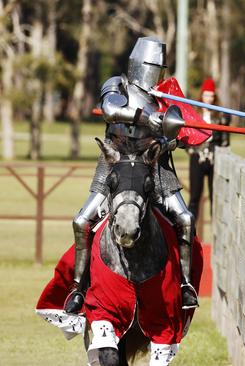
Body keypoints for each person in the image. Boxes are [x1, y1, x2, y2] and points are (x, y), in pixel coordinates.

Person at [66, 37, 200, 313]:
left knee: (185, 219)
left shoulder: (164, 98)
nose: (155, 73)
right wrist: (144, 118)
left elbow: (176, 137)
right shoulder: (117, 85)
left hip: (153, 165)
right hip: (115, 161)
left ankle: (185, 285)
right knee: (82, 221)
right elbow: (110, 110)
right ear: (138, 64)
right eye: (152, 66)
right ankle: (78, 287)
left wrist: (174, 138)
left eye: (160, 68)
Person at [188, 78, 230, 219]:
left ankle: (217, 232)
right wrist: (191, 151)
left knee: (215, 197)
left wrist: (221, 153)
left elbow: (225, 139)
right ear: (202, 95)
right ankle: (190, 233)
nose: (209, 99)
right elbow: (187, 134)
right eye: (206, 95)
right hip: (197, 157)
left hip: (215, 158)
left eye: (211, 96)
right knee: (194, 197)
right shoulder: (194, 112)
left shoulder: (221, 114)